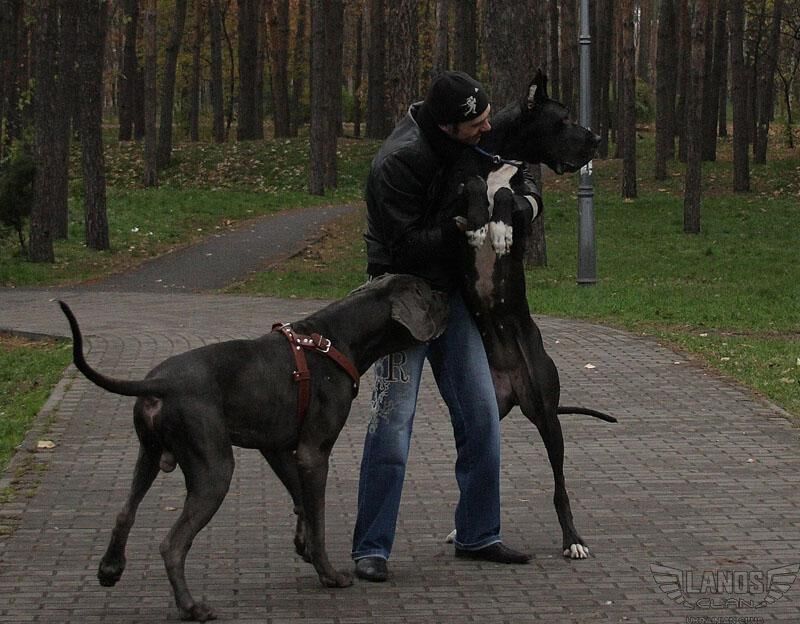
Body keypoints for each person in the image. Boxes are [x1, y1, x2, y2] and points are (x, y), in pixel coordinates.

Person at [352, 71, 541, 582]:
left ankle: (479, 533)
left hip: (453, 300)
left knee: (481, 416)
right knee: (392, 422)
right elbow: (403, 247)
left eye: (488, 119)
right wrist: (466, 227)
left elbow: (522, 173)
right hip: (400, 300)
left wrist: (522, 206)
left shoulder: (475, 139)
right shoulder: (397, 162)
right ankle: (371, 547)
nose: (487, 130)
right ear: (447, 126)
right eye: (477, 124)